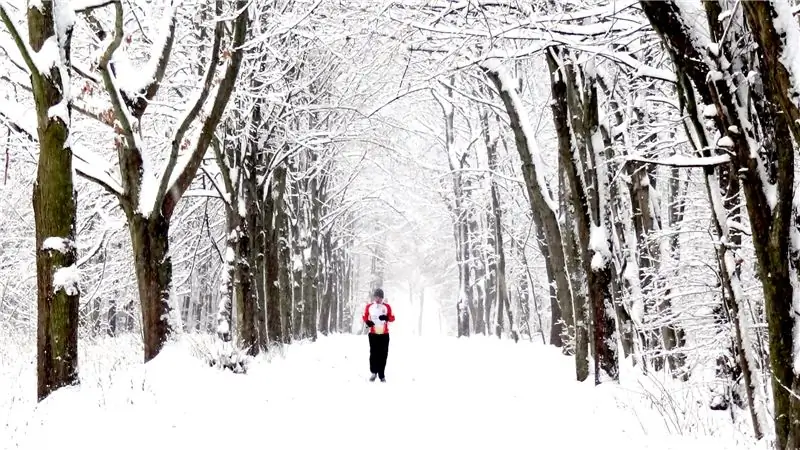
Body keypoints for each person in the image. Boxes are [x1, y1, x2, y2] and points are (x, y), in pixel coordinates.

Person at [362, 288, 395, 382]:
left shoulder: (387, 307)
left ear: (382, 298)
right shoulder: (369, 306)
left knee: (383, 354)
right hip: (373, 334)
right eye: (376, 297)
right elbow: (365, 316)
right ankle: (373, 372)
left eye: (380, 297)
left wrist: (387, 317)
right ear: (374, 297)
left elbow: (392, 318)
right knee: (373, 353)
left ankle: (381, 374)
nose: (378, 299)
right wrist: (368, 322)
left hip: (384, 334)